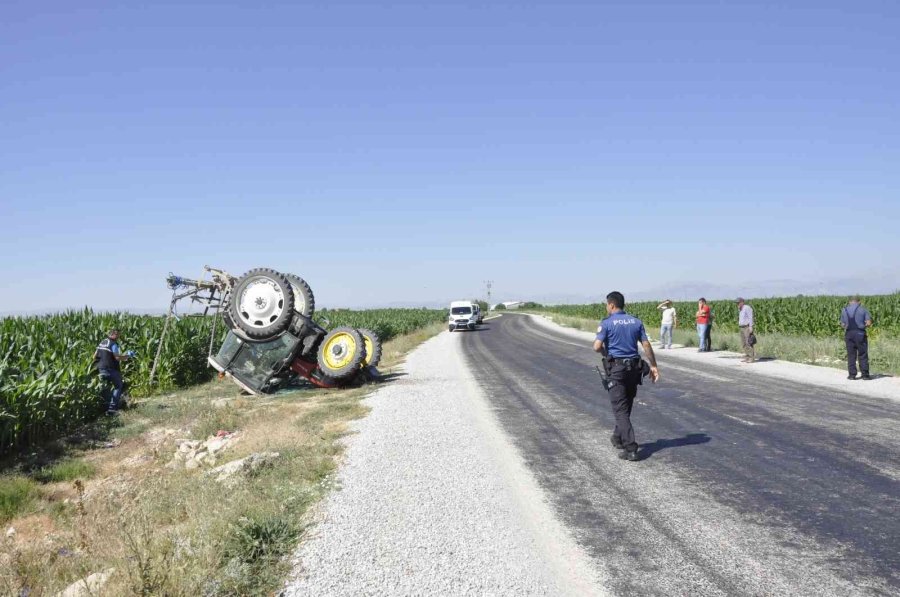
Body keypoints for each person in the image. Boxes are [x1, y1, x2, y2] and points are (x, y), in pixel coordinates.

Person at [593, 291, 660, 462]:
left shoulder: (607, 323)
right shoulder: (636, 321)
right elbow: (646, 345)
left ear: (612, 305)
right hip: (634, 370)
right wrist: (653, 366)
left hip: (617, 369)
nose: (606, 307)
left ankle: (631, 447)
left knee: (620, 409)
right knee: (626, 404)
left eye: (607, 305)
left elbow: (596, 346)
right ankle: (618, 437)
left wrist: (605, 353)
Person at [93, 329, 135, 414]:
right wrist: (128, 356)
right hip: (110, 369)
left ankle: (105, 407)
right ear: (112, 335)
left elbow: (94, 356)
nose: (118, 337)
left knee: (105, 388)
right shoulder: (113, 344)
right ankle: (112, 409)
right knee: (118, 386)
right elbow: (118, 358)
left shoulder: (102, 342)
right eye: (117, 335)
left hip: (100, 369)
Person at [840, 296, 873, 380]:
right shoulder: (863, 309)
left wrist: (848, 327)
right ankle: (865, 375)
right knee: (862, 354)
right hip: (860, 333)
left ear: (850, 302)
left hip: (849, 334)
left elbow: (843, 324)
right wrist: (864, 325)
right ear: (859, 302)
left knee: (851, 355)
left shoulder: (844, 310)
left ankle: (852, 375)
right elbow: (869, 323)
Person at [737, 298, 755, 363]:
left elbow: (750, 317)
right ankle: (747, 357)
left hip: (746, 327)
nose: (737, 304)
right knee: (744, 343)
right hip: (741, 327)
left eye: (738, 302)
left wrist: (751, 326)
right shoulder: (740, 309)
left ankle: (751, 358)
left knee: (749, 342)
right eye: (737, 303)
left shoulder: (747, 308)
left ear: (742, 302)